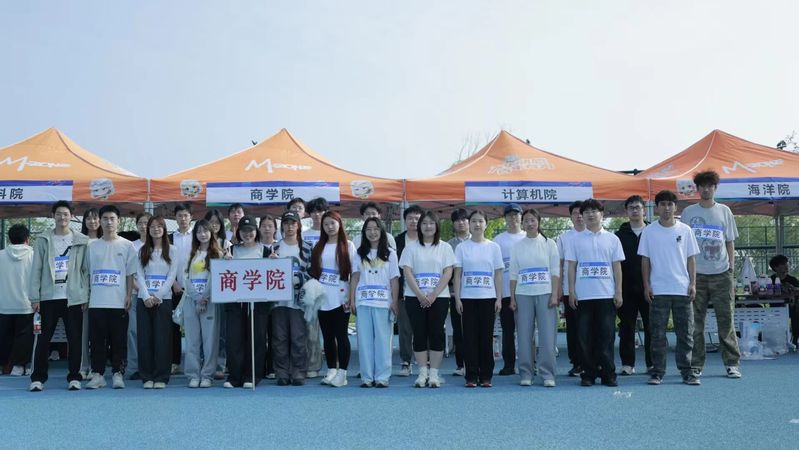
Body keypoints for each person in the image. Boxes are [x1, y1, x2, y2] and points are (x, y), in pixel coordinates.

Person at [681, 170, 742, 379]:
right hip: (696, 275)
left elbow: (730, 242)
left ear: (715, 188)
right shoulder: (688, 212)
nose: (706, 189)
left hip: (722, 273)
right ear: (697, 189)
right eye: (702, 186)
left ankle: (732, 363)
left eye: (710, 186)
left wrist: (731, 270)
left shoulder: (724, 211)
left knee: (726, 321)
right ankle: (696, 364)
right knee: (695, 323)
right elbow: (684, 245)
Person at [639, 190, 701, 386]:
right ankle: (657, 371)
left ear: (676, 207)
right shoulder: (649, 231)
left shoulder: (686, 230)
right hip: (658, 290)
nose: (666, 208)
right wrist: (647, 285)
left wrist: (693, 283)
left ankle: (687, 371)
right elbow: (645, 260)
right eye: (663, 204)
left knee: (686, 333)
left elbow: (691, 259)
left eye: (670, 204)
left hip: (682, 289)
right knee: (657, 334)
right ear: (656, 208)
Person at [29, 201, 90, 391]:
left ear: (71, 216)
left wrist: (84, 296)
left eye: (65, 214)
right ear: (53, 216)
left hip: (73, 298)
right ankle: (38, 378)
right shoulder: (43, 239)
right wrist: (34, 297)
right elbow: (36, 269)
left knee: (75, 339)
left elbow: (85, 271)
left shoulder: (81, 240)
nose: (62, 217)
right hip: (48, 297)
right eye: (58, 214)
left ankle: (74, 377)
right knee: (43, 339)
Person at [566, 199, 624, 387]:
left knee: (606, 336)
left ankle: (608, 373)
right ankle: (588, 374)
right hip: (583, 296)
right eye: (586, 212)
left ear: (602, 214)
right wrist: (572, 291)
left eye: (594, 211)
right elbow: (571, 267)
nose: (590, 215)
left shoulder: (612, 239)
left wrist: (618, 291)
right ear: (582, 216)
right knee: (585, 337)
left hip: (606, 295)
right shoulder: (575, 240)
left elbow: (617, 267)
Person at [399, 211, 455, 388]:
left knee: (436, 333)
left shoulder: (445, 247)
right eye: (424, 223)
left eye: (431, 223)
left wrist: (433, 294)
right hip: (414, 297)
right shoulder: (411, 248)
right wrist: (420, 294)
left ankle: (434, 374)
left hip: (439, 297)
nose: (428, 226)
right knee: (419, 333)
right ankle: (422, 372)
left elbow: (448, 272)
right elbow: (407, 271)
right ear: (419, 226)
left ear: (437, 226)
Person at [85, 205, 138, 389]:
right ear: (100, 221)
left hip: (119, 302)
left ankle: (117, 373)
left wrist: (129, 295)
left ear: (118, 221)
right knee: (97, 341)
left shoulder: (127, 245)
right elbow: (87, 273)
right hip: (97, 301)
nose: (109, 222)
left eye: (112, 218)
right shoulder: (92, 246)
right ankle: (98, 374)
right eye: (105, 218)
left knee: (119, 340)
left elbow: (130, 274)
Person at [509, 208, 560, 387]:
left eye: (533, 220)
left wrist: (555, 294)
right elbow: (513, 273)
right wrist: (512, 298)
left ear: (538, 222)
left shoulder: (549, 243)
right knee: (524, 336)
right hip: (523, 294)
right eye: (526, 220)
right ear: (522, 223)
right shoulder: (517, 246)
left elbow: (555, 271)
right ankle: (526, 373)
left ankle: (548, 374)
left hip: (545, 293)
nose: (530, 223)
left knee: (547, 336)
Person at [453, 210, 503, 388]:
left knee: (486, 337)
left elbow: (498, 275)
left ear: (486, 224)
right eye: (473, 221)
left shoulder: (493, 247)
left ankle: (486, 375)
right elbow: (457, 275)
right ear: (469, 224)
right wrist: (457, 298)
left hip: (488, 298)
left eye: (480, 221)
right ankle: (471, 375)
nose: (477, 224)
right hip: (467, 298)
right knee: (469, 338)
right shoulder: (462, 248)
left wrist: (498, 298)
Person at [350, 217, 400, 388]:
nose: (372, 232)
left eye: (376, 229)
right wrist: (352, 300)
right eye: (369, 229)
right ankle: (367, 377)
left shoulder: (390, 253)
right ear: (364, 232)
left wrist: (394, 301)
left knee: (383, 341)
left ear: (381, 231)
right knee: (364, 342)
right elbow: (355, 277)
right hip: (363, 302)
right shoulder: (359, 253)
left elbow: (394, 279)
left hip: (383, 302)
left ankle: (382, 377)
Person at [309, 211, 356, 388]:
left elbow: (354, 273)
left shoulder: (348, 245)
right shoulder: (319, 246)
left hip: (341, 296)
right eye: (326, 224)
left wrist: (351, 296)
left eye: (332, 223)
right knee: (327, 336)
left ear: (339, 224)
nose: (329, 227)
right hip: (323, 297)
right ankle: (331, 370)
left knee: (341, 335)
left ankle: (342, 373)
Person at [224, 216, 271, 388]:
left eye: (250, 230)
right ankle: (235, 376)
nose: (247, 234)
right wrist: (224, 262)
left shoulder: (265, 251)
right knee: (234, 338)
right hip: (235, 303)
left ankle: (252, 375)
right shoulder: (231, 250)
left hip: (258, 303)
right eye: (244, 231)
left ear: (256, 231)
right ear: (239, 233)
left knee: (257, 338)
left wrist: (274, 263)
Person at [135, 216, 178, 389]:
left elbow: (172, 275)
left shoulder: (172, 250)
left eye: (159, 226)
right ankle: (146, 376)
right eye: (152, 226)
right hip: (144, 300)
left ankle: (161, 376)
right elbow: (139, 274)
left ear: (164, 229)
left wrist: (158, 295)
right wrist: (146, 296)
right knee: (145, 339)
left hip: (163, 299)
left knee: (162, 339)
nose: (155, 229)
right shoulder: (142, 250)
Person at [270, 211, 312, 386]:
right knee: (279, 338)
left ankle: (298, 372)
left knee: (298, 337)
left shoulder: (307, 247)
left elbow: (312, 272)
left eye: (293, 223)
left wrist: (299, 279)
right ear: (282, 227)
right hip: (278, 301)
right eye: (286, 223)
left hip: (298, 301)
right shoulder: (274, 248)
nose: (289, 227)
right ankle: (281, 372)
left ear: (298, 226)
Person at [183, 219, 223, 388]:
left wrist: (204, 297)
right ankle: (193, 374)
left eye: (205, 231)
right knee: (192, 340)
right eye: (199, 231)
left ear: (211, 233)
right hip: (191, 300)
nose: (202, 234)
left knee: (210, 341)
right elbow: (185, 278)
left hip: (210, 302)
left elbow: (216, 279)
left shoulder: (218, 254)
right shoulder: (191, 253)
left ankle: (207, 375)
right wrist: (196, 297)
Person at [615, 195, 652, 376]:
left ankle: (652, 364)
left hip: (650, 288)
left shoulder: (654, 232)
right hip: (626, 289)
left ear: (644, 210)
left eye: (638, 207)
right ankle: (627, 364)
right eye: (631, 208)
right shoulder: (618, 236)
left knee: (651, 327)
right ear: (626, 211)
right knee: (627, 328)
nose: (635, 210)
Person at [492, 203, 526, 375]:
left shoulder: (528, 237)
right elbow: (495, 270)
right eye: (509, 215)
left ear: (521, 217)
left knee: (526, 330)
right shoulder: (498, 241)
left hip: (527, 291)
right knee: (507, 330)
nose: (513, 218)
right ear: (504, 218)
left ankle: (529, 363)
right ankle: (509, 364)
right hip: (505, 292)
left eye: (516, 214)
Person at [0, 225, 33, 377]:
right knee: (24, 336)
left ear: (9, 239)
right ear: (27, 239)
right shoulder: (33, 254)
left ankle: (3, 365)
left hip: (4, 304)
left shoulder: (1, 255)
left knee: (4, 336)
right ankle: (19, 367)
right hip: (26, 304)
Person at [557, 201, 585, 377]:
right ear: (571, 217)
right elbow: (559, 265)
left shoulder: (595, 235)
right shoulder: (563, 238)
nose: (579, 216)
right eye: (575, 213)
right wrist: (559, 289)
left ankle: (592, 361)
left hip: (592, 291)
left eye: (582, 212)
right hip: (569, 290)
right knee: (573, 329)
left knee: (590, 328)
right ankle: (576, 363)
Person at [395, 204, 423, 377]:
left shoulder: (429, 239)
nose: (414, 221)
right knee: (405, 328)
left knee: (423, 328)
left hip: (426, 291)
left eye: (417, 218)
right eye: (410, 218)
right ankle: (406, 361)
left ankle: (424, 361)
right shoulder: (397, 241)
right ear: (405, 221)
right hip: (403, 291)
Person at [204, 208, 231, 380]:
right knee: (205, 331)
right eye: (211, 222)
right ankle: (205, 363)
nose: (214, 225)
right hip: (203, 292)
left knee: (221, 330)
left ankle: (220, 364)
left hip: (221, 292)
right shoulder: (200, 242)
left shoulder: (226, 243)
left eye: (216, 222)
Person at [168, 203, 193, 375]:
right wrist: (173, 283)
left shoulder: (197, 236)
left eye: (185, 215)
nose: (183, 219)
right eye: (179, 216)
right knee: (173, 326)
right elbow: (166, 263)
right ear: (175, 218)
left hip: (194, 289)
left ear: (191, 217)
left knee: (193, 327)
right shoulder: (169, 238)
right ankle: (174, 361)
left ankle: (193, 362)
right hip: (174, 288)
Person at [127, 212, 151, 381]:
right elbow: (129, 273)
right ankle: (134, 367)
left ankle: (152, 366)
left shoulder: (160, 246)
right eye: (141, 223)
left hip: (156, 296)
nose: (144, 226)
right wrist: (142, 291)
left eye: (147, 223)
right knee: (133, 331)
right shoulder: (131, 246)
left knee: (153, 332)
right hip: (136, 294)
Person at [447, 208, 470, 376]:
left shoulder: (479, 241)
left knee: (474, 329)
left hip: (476, 292)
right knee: (458, 330)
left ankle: (474, 363)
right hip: (455, 294)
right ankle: (461, 364)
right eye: (457, 220)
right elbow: (446, 271)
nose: (461, 223)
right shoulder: (448, 245)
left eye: (463, 219)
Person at [78, 207, 101, 377]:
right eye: (89, 218)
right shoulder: (80, 242)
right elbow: (79, 270)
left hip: (103, 293)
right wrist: (83, 295)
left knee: (98, 332)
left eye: (95, 218)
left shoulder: (105, 240)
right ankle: (83, 366)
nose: (92, 222)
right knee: (83, 332)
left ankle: (96, 367)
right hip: (84, 293)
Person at [259, 214, 278, 378]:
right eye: (264, 226)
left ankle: (272, 367)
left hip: (276, 296)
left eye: (270, 226)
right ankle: (259, 366)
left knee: (274, 332)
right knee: (259, 332)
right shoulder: (254, 247)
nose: (267, 229)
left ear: (275, 229)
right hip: (258, 295)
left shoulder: (279, 247)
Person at [769, 255, 799, 346]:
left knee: (797, 313)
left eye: (786, 263)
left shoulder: (792, 280)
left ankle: (795, 339)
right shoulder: (770, 280)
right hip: (775, 308)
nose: (786, 266)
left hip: (791, 308)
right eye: (783, 264)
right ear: (775, 267)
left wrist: (793, 290)